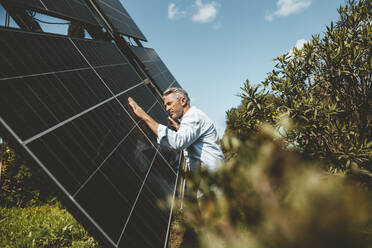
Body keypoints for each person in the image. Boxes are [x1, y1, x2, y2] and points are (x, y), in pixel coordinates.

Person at [127, 87, 224, 172]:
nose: (167, 109)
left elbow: (178, 142)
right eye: (165, 106)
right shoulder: (191, 117)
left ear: (183, 101)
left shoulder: (193, 116)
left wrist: (144, 116)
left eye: (169, 103)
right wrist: (179, 128)